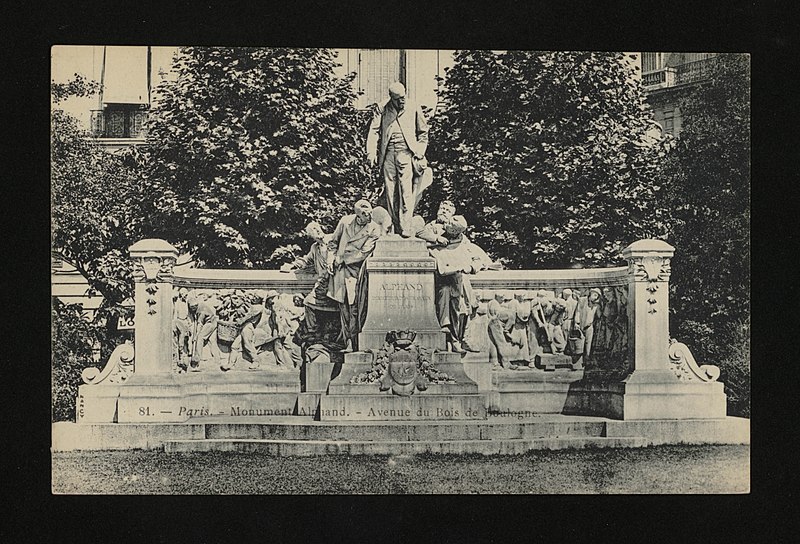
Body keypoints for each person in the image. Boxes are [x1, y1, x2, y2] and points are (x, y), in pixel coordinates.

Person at [366, 82, 430, 237]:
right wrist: (371, 153)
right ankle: (394, 226)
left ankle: (406, 225)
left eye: (403, 97)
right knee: (390, 189)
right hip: (388, 153)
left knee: (405, 189)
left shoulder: (413, 107)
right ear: (391, 98)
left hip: (405, 152)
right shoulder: (382, 108)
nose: (402, 101)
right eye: (398, 99)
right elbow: (374, 131)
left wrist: (420, 152)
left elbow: (423, 133)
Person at [327, 200, 382, 352]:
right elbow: (332, 243)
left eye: (370, 212)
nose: (368, 215)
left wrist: (342, 259)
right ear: (357, 215)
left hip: (356, 272)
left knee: (354, 308)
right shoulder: (345, 222)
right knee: (343, 308)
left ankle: (354, 343)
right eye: (364, 214)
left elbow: (364, 252)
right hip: (340, 272)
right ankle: (347, 342)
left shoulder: (375, 229)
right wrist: (330, 259)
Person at [280, 221, 338, 338]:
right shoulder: (315, 248)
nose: (317, 232)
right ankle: (313, 331)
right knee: (308, 302)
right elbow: (306, 261)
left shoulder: (332, 239)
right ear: (312, 236)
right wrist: (292, 265)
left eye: (317, 229)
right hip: (322, 283)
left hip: (335, 282)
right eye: (314, 231)